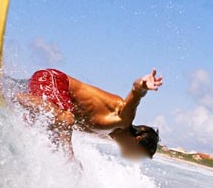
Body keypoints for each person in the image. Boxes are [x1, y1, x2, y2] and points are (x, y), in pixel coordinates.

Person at [13, 68, 162, 159]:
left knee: (53, 139)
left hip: (49, 95)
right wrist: (143, 84)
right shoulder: (123, 119)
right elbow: (135, 93)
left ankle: (10, 103)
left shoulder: (108, 132)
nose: (132, 158)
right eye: (138, 155)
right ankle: (13, 96)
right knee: (66, 120)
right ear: (136, 141)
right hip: (54, 80)